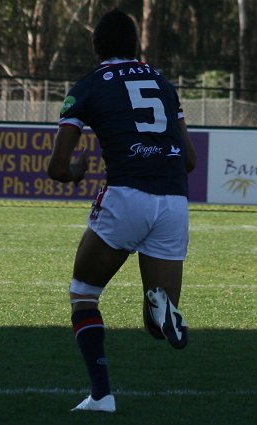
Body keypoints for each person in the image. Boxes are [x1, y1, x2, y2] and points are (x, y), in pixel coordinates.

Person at [48, 8, 197, 413]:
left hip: (127, 196)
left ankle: (102, 395)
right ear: (135, 46)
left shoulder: (90, 86)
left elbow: (57, 167)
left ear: (96, 47)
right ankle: (161, 307)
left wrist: (76, 172)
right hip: (173, 204)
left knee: (83, 293)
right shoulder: (163, 83)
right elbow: (189, 161)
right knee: (154, 327)